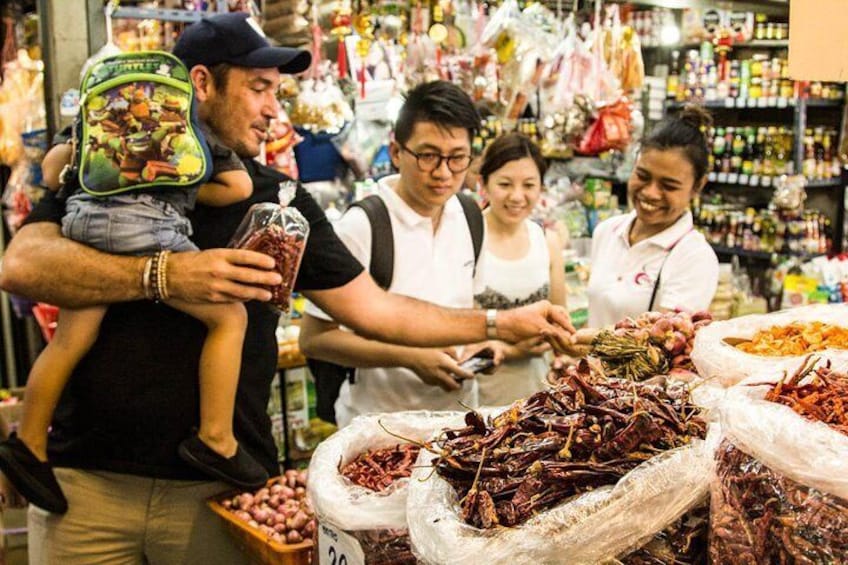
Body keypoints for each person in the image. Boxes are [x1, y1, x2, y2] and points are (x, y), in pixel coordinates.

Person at [0, 13, 573, 564]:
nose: (274, 109)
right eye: (259, 88)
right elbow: (23, 265)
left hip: (218, 493)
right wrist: (167, 274)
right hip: (86, 488)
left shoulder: (278, 199)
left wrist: (500, 323)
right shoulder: (111, 166)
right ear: (202, 83)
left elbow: (372, 308)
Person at [0, 78, 266, 515]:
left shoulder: (95, 117)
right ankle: (216, 437)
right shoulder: (183, 123)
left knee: (71, 339)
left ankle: (28, 444)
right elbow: (238, 188)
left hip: (84, 228)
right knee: (229, 318)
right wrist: (186, 185)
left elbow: (51, 173)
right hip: (148, 229)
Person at [299, 80, 503, 427]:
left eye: (457, 158)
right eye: (427, 156)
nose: (443, 172)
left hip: (457, 424)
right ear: (396, 152)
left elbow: (469, 311)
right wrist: (409, 358)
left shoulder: (470, 217)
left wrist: (482, 346)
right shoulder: (364, 225)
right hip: (379, 429)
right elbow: (315, 339)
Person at [586, 105, 719, 329]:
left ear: (697, 186)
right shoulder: (607, 232)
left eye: (669, 185)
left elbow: (666, 343)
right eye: (642, 175)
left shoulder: (694, 257)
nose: (650, 192)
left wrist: (585, 344)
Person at [473, 133, 566, 406]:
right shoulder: (465, 241)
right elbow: (444, 332)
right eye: (504, 184)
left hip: (538, 400)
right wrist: (514, 350)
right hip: (475, 401)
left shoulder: (547, 242)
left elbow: (560, 322)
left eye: (529, 185)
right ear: (484, 184)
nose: (517, 196)